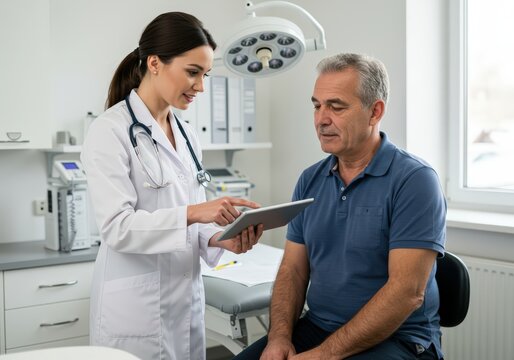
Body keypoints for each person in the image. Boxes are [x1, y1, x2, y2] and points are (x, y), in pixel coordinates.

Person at [233, 53, 446, 360]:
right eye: (317, 105)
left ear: (375, 112)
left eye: (336, 106)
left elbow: (406, 293)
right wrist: (278, 337)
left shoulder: (414, 180)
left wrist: (325, 354)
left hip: (397, 338)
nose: (321, 119)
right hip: (318, 327)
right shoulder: (310, 179)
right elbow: (293, 269)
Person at [81, 12, 264, 360]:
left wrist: (223, 237)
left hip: (185, 304)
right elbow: (118, 228)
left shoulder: (187, 134)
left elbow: (189, 224)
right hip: (136, 311)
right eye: (193, 72)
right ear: (154, 63)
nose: (201, 86)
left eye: (205, 74)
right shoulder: (110, 130)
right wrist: (196, 212)